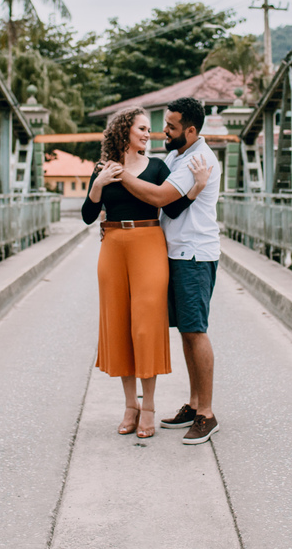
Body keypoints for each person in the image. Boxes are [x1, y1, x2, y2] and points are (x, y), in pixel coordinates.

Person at [81, 106, 211, 439]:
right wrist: (98, 184)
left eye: (149, 128)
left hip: (149, 244)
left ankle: (149, 407)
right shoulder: (104, 168)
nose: (148, 133)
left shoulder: (158, 166)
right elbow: (87, 214)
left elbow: (171, 205)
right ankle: (130, 406)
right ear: (124, 131)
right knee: (121, 325)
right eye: (141, 127)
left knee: (145, 325)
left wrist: (196, 188)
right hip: (113, 245)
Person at [120, 97, 222, 445]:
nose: (165, 130)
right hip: (177, 254)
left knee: (196, 331)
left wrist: (120, 176)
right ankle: (194, 405)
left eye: (173, 126)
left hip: (194, 255)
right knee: (186, 332)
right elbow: (177, 209)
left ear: (191, 131)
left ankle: (207, 414)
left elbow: (162, 199)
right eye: (166, 123)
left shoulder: (198, 158)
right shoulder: (177, 156)